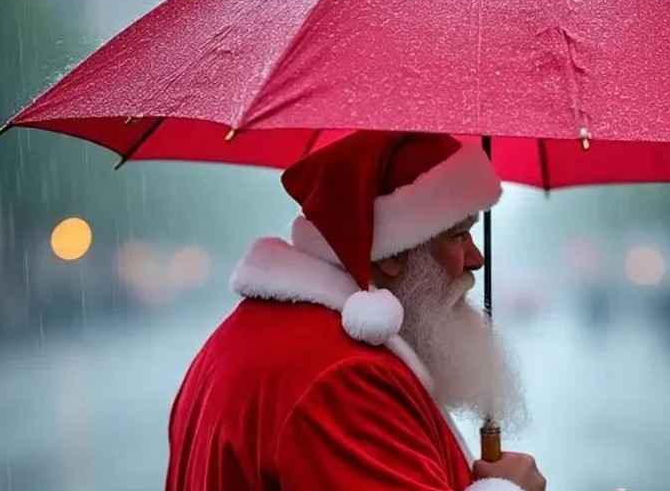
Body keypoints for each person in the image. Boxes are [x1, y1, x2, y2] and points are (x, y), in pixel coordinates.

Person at [166, 131, 544, 491]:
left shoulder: (250, 334)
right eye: (458, 234)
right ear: (394, 252)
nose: (476, 259)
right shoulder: (345, 377)